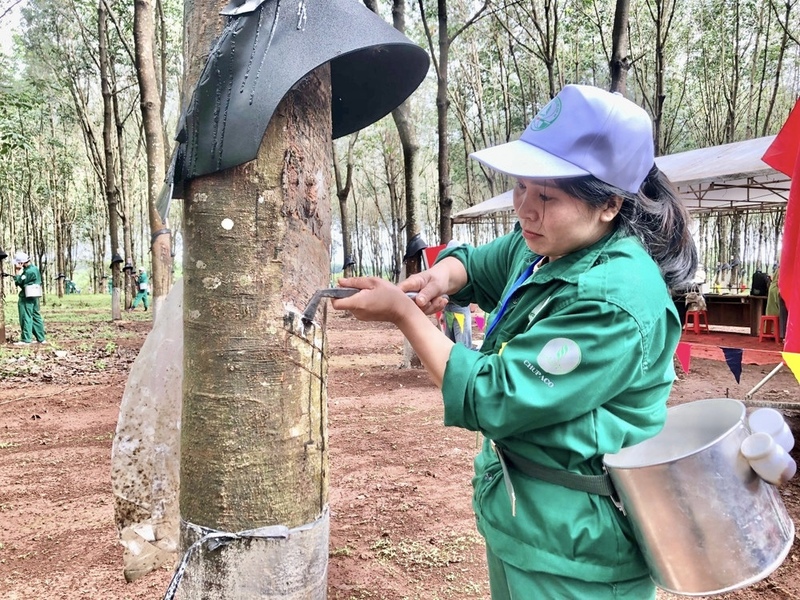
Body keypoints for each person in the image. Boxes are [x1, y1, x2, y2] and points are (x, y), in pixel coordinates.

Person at [330, 84, 697, 599]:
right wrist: (446, 275)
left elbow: (493, 395)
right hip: (526, 517)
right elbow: (483, 262)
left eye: (546, 196)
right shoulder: (552, 244)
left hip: (577, 549)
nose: (525, 209)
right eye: (521, 187)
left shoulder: (613, 301)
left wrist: (401, 314)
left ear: (610, 203)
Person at [441, 240, 472, 349]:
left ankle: (463, 365)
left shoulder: (466, 268)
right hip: (448, 309)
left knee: (462, 344)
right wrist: (442, 312)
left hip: (460, 309)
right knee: (450, 345)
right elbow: (443, 290)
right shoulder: (445, 268)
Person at [12, 251, 47, 345]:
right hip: (34, 296)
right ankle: (41, 338)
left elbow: (19, 282)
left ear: (21, 262)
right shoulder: (34, 269)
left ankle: (26, 339)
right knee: (35, 316)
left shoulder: (28, 272)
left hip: (26, 297)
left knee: (25, 317)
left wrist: (17, 272)